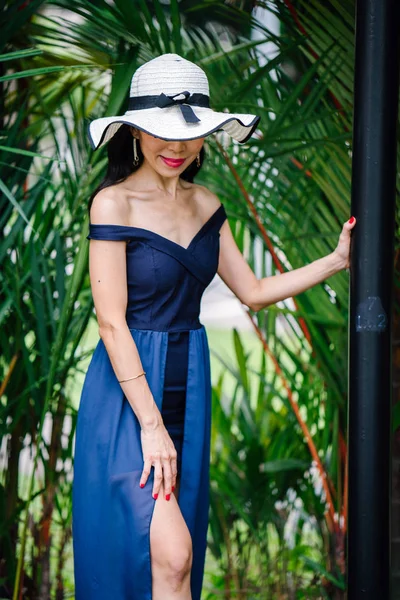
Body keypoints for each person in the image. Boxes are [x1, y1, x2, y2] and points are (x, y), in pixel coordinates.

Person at [72, 53, 355, 600]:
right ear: (132, 132)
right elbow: (110, 322)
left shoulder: (208, 204)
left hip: (188, 382)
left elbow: (252, 291)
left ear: (205, 136)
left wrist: (335, 261)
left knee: (174, 563)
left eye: (188, 134)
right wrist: (151, 427)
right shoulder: (114, 204)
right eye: (160, 133)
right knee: (167, 554)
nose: (175, 147)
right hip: (129, 394)